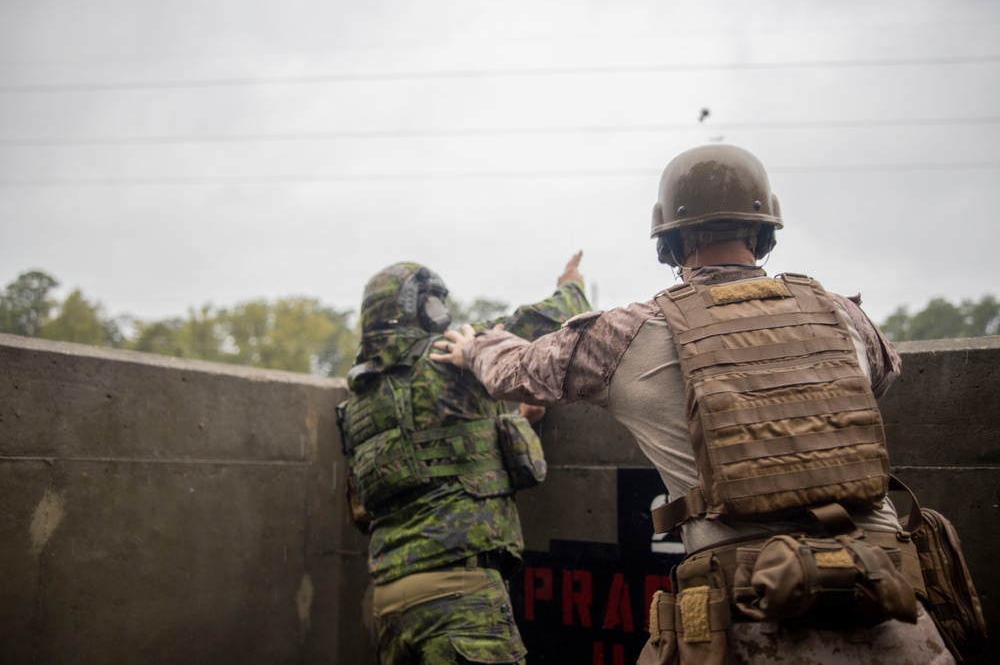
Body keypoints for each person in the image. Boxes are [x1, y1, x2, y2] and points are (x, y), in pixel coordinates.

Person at [432, 144, 956, 664]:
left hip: (749, 620)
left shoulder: (626, 334)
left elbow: (519, 373)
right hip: (891, 606)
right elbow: (884, 375)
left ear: (670, 240)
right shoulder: (842, 314)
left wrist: (474, 346)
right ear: (763, 230)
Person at [338, 253, 590, 665]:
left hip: (389, 604)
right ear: (418, 306)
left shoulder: (356, 405)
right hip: (460, 597)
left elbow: (364, 511)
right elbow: (553, 324)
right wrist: (571, 285)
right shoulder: (448, 358)